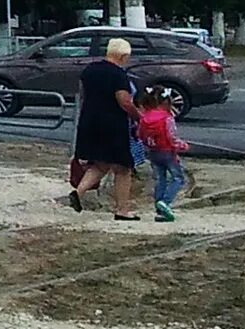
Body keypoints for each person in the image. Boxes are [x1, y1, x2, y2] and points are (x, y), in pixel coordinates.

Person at [69, 36, 141, 218]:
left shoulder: (89, 70)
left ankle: (78, 192)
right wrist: (139, 117)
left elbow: (84, 94)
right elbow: (124, 101)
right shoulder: (118, 74)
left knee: (101, 164)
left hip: (89, 121)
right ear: (123, 56)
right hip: (112, 125)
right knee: (123, 168)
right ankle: (122, 210)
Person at [136, 84, 192, 221]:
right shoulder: (167, 118)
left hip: (153, 152)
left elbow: (140, 134)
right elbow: (171, 136)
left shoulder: (145, 117)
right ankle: (165, 202)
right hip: (167, 152)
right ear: (166, 102)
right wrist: (182, 146)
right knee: (178, 178)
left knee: (160, 179)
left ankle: (159, 208)